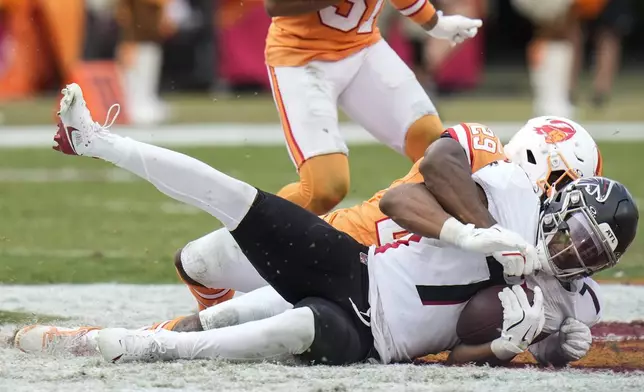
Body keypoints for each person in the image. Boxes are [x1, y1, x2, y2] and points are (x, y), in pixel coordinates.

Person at [14, 117, 604, 360]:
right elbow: (415, 189)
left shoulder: (566, 282)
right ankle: (98, 139)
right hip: (355, 259)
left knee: (278, 327)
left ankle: (132, 344)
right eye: (565, 194)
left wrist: (537, 343)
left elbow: (477, 340)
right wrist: (481, 235)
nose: (572, 239)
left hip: (375, 330)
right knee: (224, 224)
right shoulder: (497, 181)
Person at [263, 0, 481, 218]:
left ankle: (450, 234)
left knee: (434, 145)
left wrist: (436, 24)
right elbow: (276, 5)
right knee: (325, 188)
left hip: (363, 46)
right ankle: (248, 234)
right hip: (300, 56)